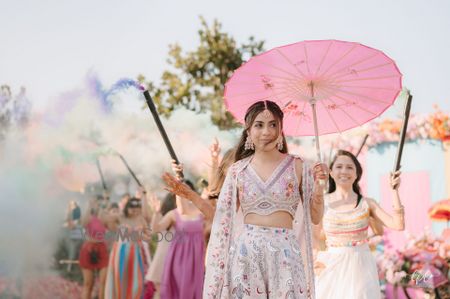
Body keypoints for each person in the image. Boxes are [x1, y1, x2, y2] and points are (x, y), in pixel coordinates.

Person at [164, 100, 327, 298]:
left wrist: (319, 187)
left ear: (281, 128)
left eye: (273, 124)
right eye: (259, 125)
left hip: (285, 256)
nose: (266, 131)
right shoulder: (238, 170)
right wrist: (190, 195)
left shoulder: (298, 167)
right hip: (247, 256)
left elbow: (316, 217)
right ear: (248, 131)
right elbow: (222, 218)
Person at [314, 150, 404, 299]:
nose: (344, 171)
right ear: (330, 172)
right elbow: (314, 235)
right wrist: (315, 257)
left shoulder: (367, 204)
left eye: (350, 167)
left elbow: (398, 224)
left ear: (357, 174)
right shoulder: (321, 202)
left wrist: (394, 191)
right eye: (339, 166)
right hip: (330, 267)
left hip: (361, 267)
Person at [150, 180, 205, 299]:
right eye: (180, 191)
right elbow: (156, 229)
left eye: (186, 190)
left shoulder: (202, 211)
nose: (183, 194)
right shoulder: (173, 214)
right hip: (179, 258)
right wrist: (156, 213)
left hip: (199, 257)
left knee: (198, 290)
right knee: (180, 289)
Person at [104, 188, 152, 299]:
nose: (135, 211)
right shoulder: (120, 217)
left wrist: (138, 236)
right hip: (120, 252)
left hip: (135, 252)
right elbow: (107, 222)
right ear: (127, 207)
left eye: (137, 208)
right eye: (132, 208)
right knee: (120, 280)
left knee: (137, 283)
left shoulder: (141, 219)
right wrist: (106, 203)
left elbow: (148, 237)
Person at [144, 193, 177, 299]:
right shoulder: (163, 216)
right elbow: (154, 229)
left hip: (176, 257)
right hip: (163, 257)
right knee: (161, 292)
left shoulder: (184, 217)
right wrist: (156, 212)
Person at [79, 195, 109, 299]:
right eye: (96, 203)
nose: (97, 205)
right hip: (89, 248)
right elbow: (83, 223)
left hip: (102, 248)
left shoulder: (104, 215)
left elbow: (109, 223)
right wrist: (89, 206)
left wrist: (105, 205)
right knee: (88, 283)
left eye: (98, 203)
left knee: (103, 282)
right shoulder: (88, 216)